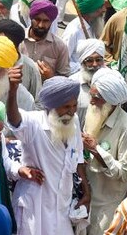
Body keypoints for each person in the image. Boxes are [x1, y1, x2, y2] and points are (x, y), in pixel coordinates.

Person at [6, 73, 90, 234]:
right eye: (66, 107)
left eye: (74, 106)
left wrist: (86, 193)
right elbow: (15, 119)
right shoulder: (34, 123)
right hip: (36, 207)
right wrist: (12, 91)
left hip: (62, 206)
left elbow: (78, 157)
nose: (71, 111)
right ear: (51, 106)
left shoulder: (74, 121)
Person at [82, 68, 127, 235]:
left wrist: (96, 150)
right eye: (91, 96)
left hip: (108, 207)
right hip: (86, 199)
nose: (91, 102)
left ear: (110, 101)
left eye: (96, 98)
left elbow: (124, 173)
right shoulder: (92, 113)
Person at [23, 0, 70, 79]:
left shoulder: (60, 46)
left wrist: (50, 77)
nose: (41, 25)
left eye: (46, 21)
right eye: (37, 20)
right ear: (31, 19)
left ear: (51, 22)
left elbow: (64, 78)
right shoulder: (18, 40)